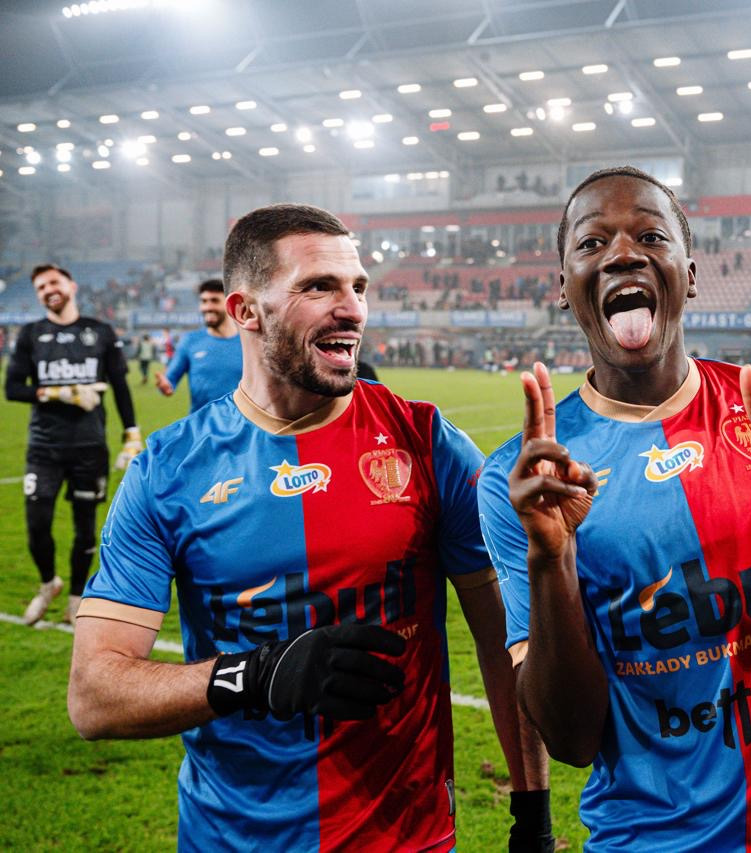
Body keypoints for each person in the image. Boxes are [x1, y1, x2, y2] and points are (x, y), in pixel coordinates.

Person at [67, 204, 553, 852]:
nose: (352, 309)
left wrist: (534, 815)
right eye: (319, 287)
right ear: (245, 311)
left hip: (407, 837)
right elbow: (94, 695)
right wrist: (257, 674)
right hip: (230, 839)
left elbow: (502, 640)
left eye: (359, 287)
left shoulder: (426, 442)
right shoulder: (167, 470)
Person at [478, 167, 751, 851]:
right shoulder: (527, 479)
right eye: (592, 243)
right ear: (564, 288)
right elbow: (571, 739)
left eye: (651, 236)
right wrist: (552, 560)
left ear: (688, 275)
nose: (622, 254)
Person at [4, 264, 143, 625]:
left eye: (53, 282)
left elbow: (120, 387)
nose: (47, 290)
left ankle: (76, 597)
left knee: (85, 529)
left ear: (72, 285)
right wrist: (58, 392)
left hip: (89, 448)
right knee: (37, 524)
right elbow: (12, 388)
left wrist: (132, 434)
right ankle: (48, 582)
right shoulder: (31, 334)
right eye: (40, 287)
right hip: (43, 447)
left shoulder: (100, 332)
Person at [155, 278, 242, 412]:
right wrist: (165, 385)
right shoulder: (190, 341)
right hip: (202, 423)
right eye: (204, 301)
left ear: (229, 303)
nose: (207, 307)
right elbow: (171, 379)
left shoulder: (247, 342)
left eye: (214, 301)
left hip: (241, 422)